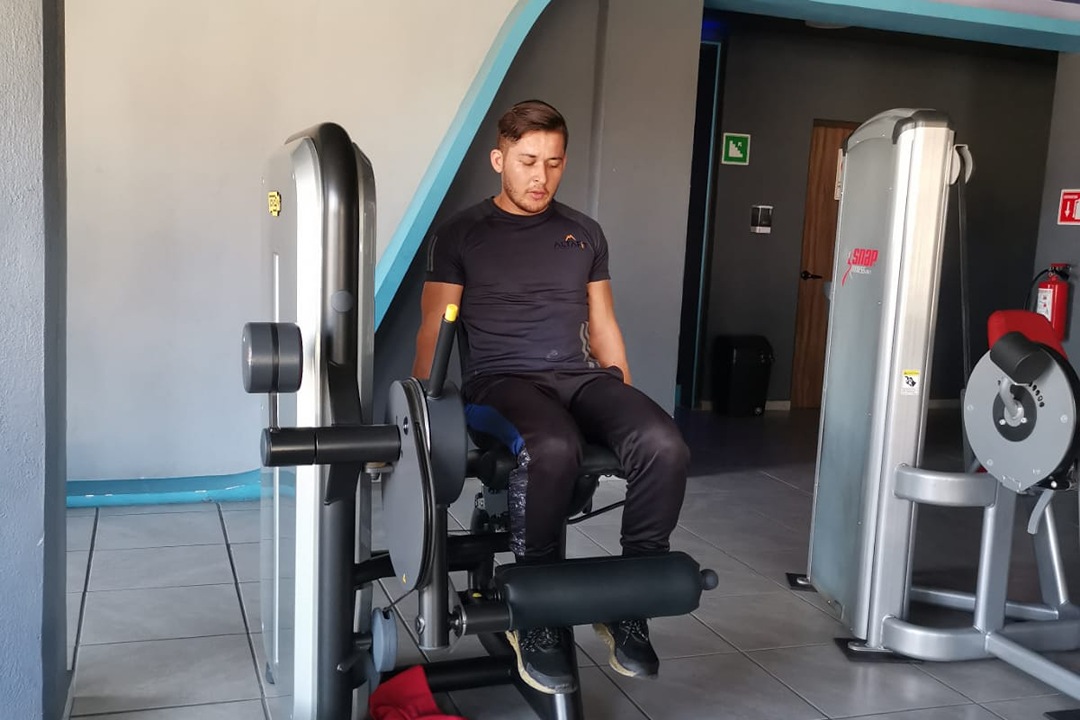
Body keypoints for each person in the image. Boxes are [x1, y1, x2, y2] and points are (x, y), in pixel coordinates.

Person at [412, 99, 689, 695]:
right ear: (499, 160)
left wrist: (622, 408)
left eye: (554, 163)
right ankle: (535, 614)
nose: (541, 177)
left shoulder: (583, 233)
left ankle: (630, 600)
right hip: (499, 381)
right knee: (553, 446)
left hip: (576, 376)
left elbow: (603, 324)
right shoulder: (461, 234)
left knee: (662, 442)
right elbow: (434, 329)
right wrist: (420, 417)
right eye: (528, 161)